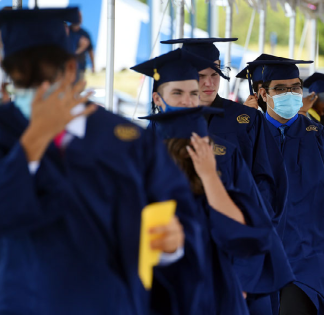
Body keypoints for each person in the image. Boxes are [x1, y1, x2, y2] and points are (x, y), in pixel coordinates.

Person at [0, 8, 196, 314]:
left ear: (70, 69)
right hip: (26, 302)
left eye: (43, 76)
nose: (34, 90)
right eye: (21, 79)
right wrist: (35, 139)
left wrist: (172, 245)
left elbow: (176, 213)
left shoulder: (126, 139)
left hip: (111, 302)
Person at [131, 49, 295, 314]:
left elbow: (247, 225)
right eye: (177, 93)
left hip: (219, 281)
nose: (187, 102)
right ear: (157, 99)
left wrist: (242, 280)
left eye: (193, 93)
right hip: (159, 286)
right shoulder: (137, 154)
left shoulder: (223, 153)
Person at [252, 57, 324, 315]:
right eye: (280, 89)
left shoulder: (320, 136)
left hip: (311, 248)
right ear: (263, 93)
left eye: (295, 87)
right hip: (263, 247)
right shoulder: (250, 136)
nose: (290, 94)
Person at [237, 53, 318, 115]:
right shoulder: (250, 122)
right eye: (264, 88)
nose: (286, 94)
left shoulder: (309, 123)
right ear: (259, 94)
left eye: (281, 89)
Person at [69, 11, 94, 80]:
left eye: (80, 17)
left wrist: (93, 65)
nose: (79, 19)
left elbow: (90, 50)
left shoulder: (85, 33)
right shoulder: (67, 31)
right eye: (78, 17)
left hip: (80, 66)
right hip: (68, 67)